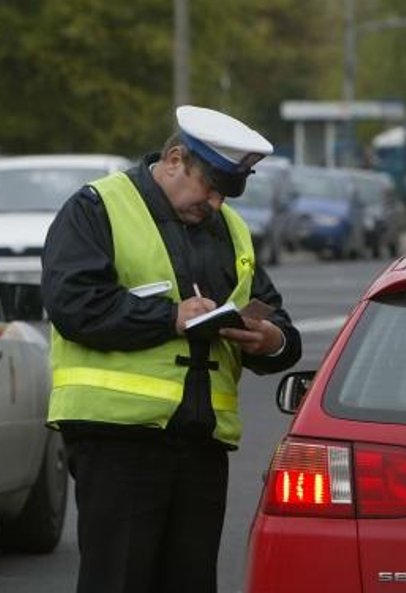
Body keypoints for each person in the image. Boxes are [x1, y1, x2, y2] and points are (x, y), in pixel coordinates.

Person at [41, 105, 302, 593]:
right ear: (175, 158)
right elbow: (72, 306)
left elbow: (275, 316)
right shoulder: (98, 208)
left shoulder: (230, 230)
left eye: (227, 192)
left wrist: (272, 340)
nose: (217, 203)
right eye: (210, 187)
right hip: (119, 441)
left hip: (201, 444)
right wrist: (170, 316)